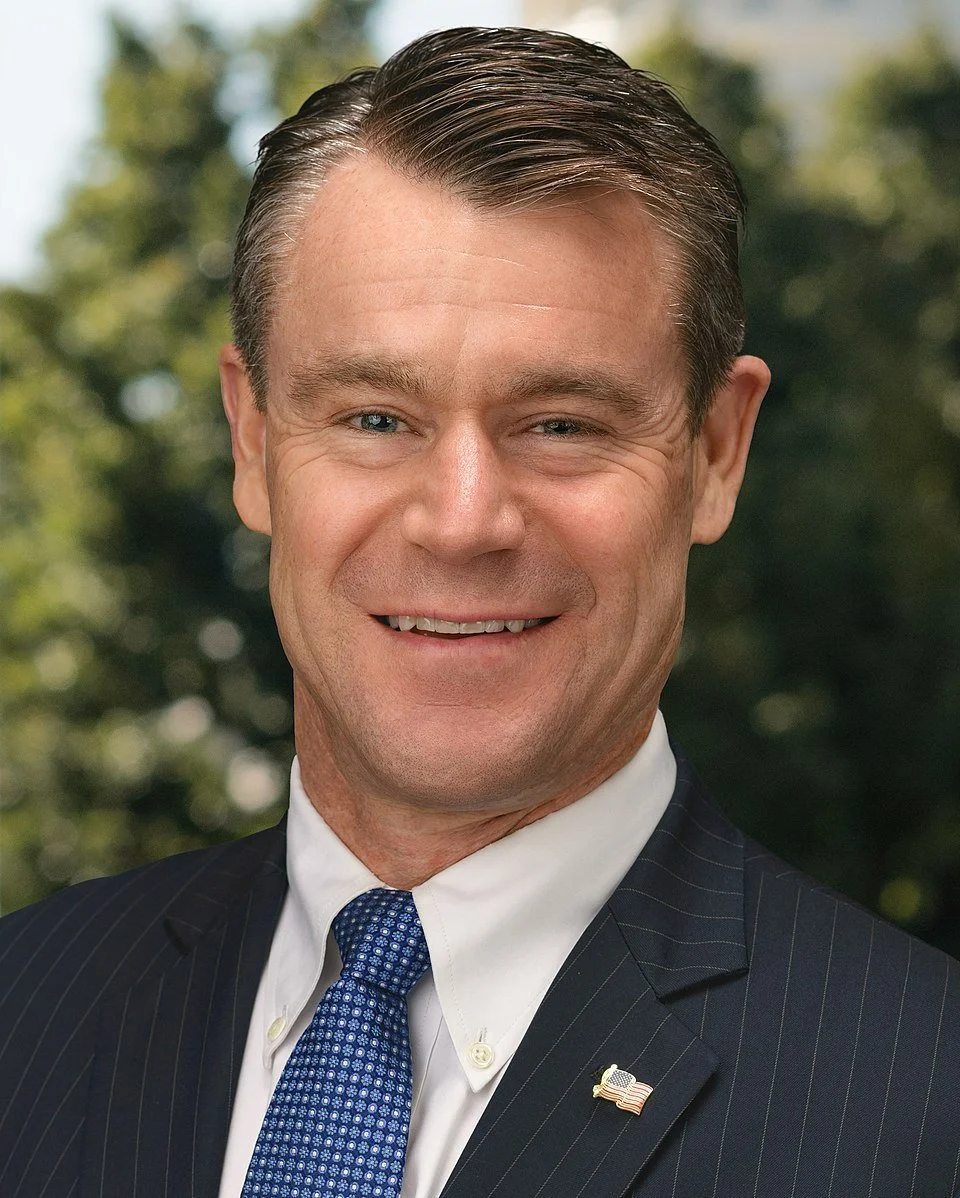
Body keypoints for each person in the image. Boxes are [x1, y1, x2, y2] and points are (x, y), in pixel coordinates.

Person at [1, 25, 958, 1198]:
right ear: (252, 440)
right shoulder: (24, 1011)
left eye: (560, 423)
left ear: (716, 452)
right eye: (373, 418)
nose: (462, 521)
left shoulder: (923, 1106)